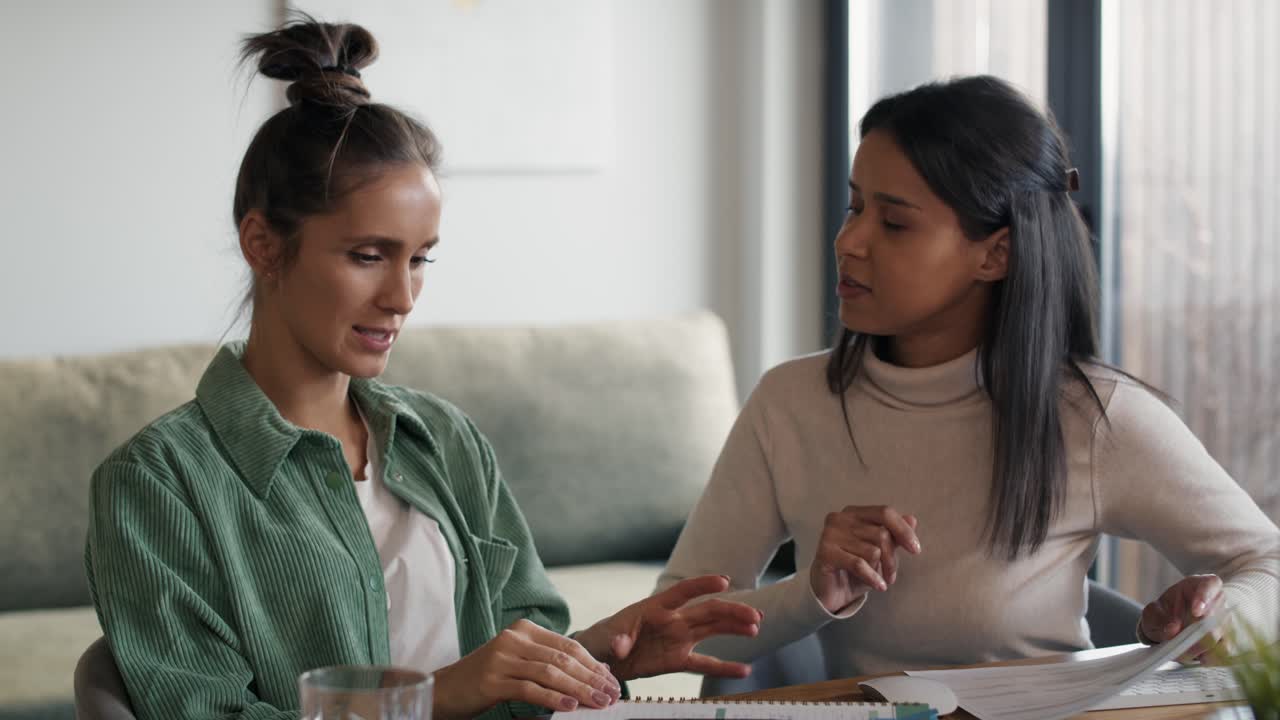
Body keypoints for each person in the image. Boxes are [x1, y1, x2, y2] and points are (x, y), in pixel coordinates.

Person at [85, 17, 762, 720]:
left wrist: (594, 656)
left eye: (420, 258)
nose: (402, 297)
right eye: (368, 256)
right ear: (262, 244)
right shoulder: (155, 485)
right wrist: (438, 697)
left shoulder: (444, 438)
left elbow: (512, 662)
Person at [658, 75, 1280, 680]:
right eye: (854, 207)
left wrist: (1220, 615)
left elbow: (1268, 562)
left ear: (995, 254)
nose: (849, 241)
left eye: (894, 223)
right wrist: (810, 593)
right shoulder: (790, 402)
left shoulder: (1093, 417)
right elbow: (674, 621)